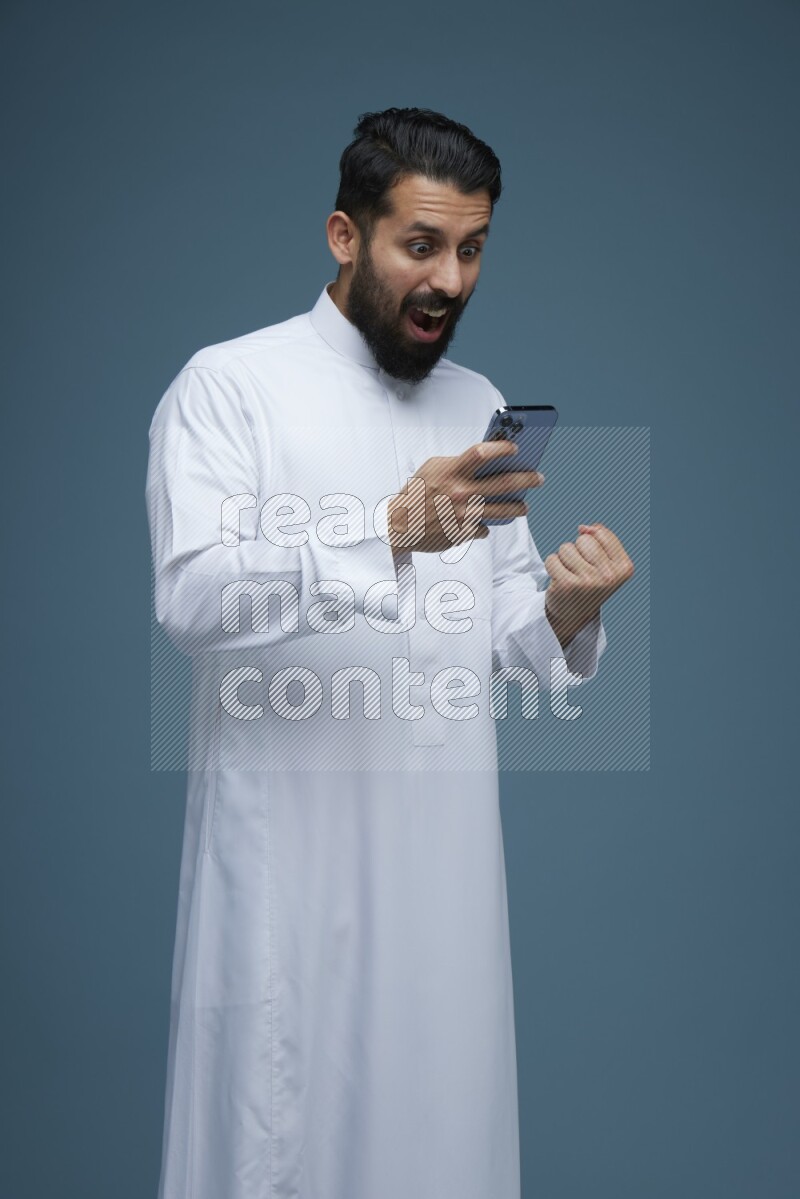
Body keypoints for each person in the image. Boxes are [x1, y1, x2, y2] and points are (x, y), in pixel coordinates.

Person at [146, 106, 633, 1199]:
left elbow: (503, 633)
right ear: (344, 235)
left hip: (446, 882)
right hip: (287, 875)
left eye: (471, 249)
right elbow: (191, 597)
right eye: (421, 244)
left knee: (443, 1147)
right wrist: (385, 535)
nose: (450, 279)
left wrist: (566, 609)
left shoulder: (476, 402)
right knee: (280, 1145)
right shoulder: (229, 388)